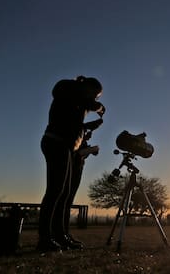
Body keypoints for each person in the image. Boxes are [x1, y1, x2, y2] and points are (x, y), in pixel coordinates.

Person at [38, 76, 105, 252]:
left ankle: (60, 236)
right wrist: (98, 107)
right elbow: (76, 100)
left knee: (64, 193)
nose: (96, 100)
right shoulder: (66, 87)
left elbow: (72, 123)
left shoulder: (78, 101)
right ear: (89, 89)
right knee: (55, 192)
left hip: (65, 146)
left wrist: (89, 125)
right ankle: (44, 238)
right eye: (96, 95)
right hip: (55, 142)